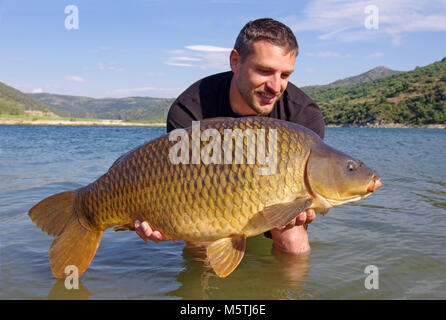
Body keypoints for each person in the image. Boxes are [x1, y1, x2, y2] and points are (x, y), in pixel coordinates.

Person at [134, 18, 326, 254]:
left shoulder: (304, 116)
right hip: (209, 201)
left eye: (285, 75)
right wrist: (162, 219)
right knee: (199, 238)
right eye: (264, 71)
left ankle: (287, 291)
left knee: (293, 240)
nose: (276, 87)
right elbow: (179, 187)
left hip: (275, 205)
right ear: (235, 62)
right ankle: (199, 289)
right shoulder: (190, 110)